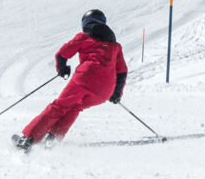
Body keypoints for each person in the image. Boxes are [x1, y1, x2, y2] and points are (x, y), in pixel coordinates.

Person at [14, 8, 129, 149]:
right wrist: (116, 93)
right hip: (104, 91)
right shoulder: (115, 46)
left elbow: (62, 54)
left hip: (84, 80)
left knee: (59, 107)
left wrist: (62, 69)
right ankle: (53, 139)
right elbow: (122, 72)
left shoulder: (84, 37)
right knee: (75, 107)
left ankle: (28, 139)